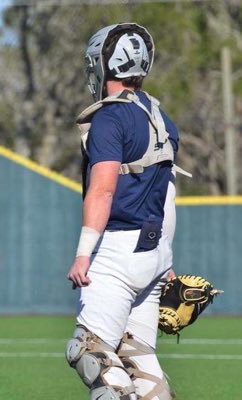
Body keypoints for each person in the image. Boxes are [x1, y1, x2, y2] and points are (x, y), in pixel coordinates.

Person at [65, 23, 183, 400]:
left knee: (90, 353)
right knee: (140, 363)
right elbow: (168, 195)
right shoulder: (162, 119)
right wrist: (165, 260)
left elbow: (102, 190)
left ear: (105, 64)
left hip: (117, 252)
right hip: (152, 251)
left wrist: (83, 253)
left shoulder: (110, 118)